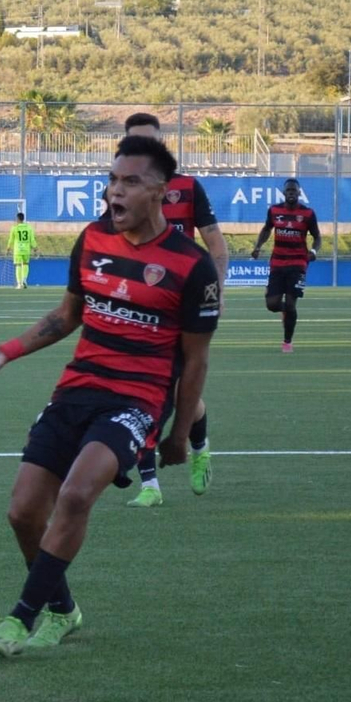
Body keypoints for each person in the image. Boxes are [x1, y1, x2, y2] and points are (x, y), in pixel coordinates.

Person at [0, 135, 221, 657]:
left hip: (136, 401)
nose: (115, 191)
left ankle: (20, 620)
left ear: (161, 191)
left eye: (130, 182)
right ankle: (64, 609)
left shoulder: (191, 266)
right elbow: (67, 317)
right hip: (76, 389)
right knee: (22, 512)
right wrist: (6, 351)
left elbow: (196, 360)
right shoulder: (91, 240)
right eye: (112, 180)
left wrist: (177, 436)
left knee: (78, 494)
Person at [118, 112, 225, 507]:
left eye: (150, 143)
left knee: (179, 395)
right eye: (134, 143)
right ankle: (150, 485)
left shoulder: (187, 188)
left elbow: (216, 244)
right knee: (140, 392)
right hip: (136, 307)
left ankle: (200, 448)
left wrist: (217, 290)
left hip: (182, 308)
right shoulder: (120, 190)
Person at [251, 179, 322, 352]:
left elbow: (317, 236)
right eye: (288, 190)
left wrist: (313, 251)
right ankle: (286, 312)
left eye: (294, 190)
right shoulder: (274, 210)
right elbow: (267, 229)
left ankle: (287, 341)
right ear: (284, 193)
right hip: (277, 263)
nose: (291, 193)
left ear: (299, 193)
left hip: (298, 264)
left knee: (291, 304)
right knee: (272, 304)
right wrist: (258, 246)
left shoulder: (307, 213)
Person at [10, 212, 37, 289]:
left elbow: (11, 239)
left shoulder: (14, 228)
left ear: (17, 219)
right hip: (26, 250)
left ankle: (19, 283)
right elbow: (32, 240)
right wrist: (35, 248)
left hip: (18, 250)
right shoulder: (29, 228)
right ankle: (24, 279)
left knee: (18, 265)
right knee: (25, 264)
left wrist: (8, 247)